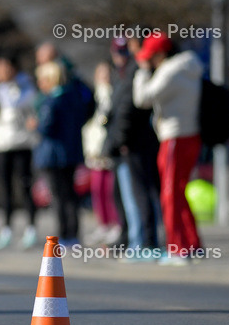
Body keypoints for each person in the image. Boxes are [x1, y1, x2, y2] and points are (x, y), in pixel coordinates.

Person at [133, 31, 204, 264]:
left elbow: (142, 98)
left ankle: (177, 248)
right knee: (178, 191)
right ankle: (192, 243)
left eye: (151, 57)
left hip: (174, 136)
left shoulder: (170, 70)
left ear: (161, 54)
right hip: (188, 134)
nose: (148, 61)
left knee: (170, 193)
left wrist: (143, 71)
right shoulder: (188, 67)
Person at [103, 38, 162, 258]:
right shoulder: (123, 72)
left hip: (133, 144)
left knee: (138, 197)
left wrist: (120, 140)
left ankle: (145, 244)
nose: (121, 55)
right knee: (127, 198)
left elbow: (128, 110)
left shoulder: (135, 70)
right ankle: (136, 242)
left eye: (125, 50)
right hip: (125, 143)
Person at [0, 52, 38, 250]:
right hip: (2, 146)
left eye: (3, 68)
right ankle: (6, 229)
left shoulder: (25, 87)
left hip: (22, 145)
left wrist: (12, 84)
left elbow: (15, 104)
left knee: (25, 187)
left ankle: (31, 228)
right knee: (3, 189)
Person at [33, 61, 87, 247]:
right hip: (71, 152)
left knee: (59, 197)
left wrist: (36, 125)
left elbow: (46, 127)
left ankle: (64, 233)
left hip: (53, 155)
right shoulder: (73, 96)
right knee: (70, 195)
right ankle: (73, 232)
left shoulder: (52, 99)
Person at [82, 61, 120, 246]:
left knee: (109, 188)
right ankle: (103, 223)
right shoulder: (93, 95)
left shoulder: (111, 94)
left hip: (107, 147)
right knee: (97, 188)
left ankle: (115, 223)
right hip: (94, 147)